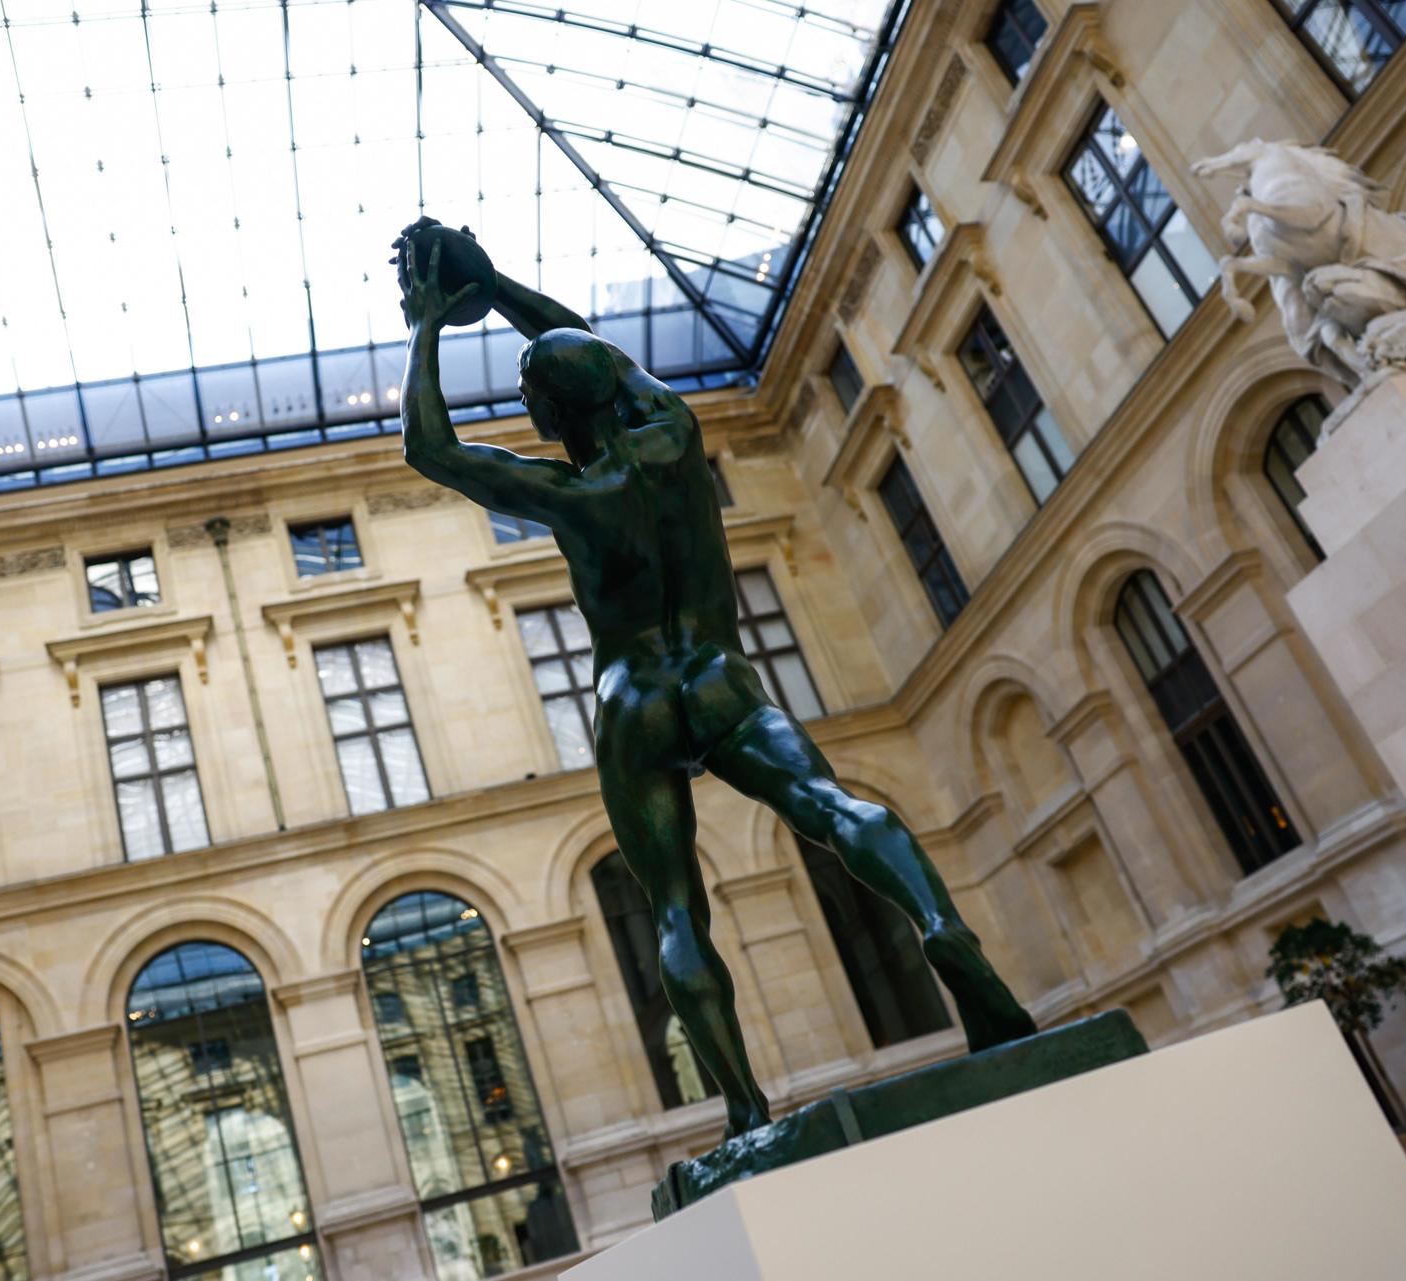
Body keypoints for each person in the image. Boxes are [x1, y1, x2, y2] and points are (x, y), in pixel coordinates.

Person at [392, 219, 1037, 1137]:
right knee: (834, 807)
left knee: (675, 907)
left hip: (633, 701)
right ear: (617, 380)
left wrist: (427, 323)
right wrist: (494, 292)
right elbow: (591, 352)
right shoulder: (676, 433)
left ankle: (742, 1104)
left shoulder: (573, 497)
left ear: (544, 419)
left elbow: (432, 449)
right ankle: (944, 929)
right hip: (722, 678)